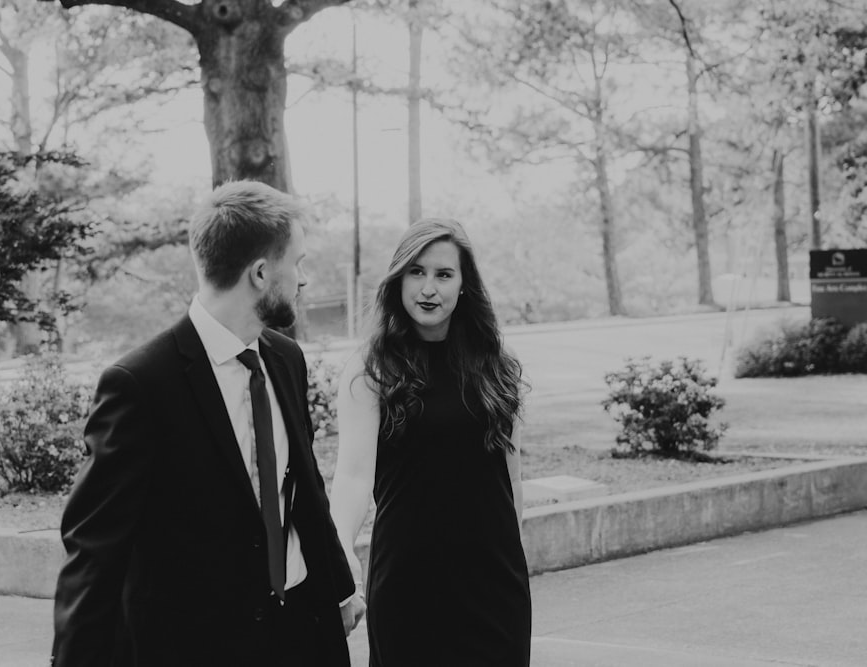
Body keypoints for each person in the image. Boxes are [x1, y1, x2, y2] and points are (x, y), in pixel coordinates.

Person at [52, 180, 366, 667]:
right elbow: (94, 551)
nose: (304, 280)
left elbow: (302, 487)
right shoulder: (140, 384)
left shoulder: (286, 359)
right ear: (261, 273)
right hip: (198, 645)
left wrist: (340, 589)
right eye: (298, 263)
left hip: (305, 632)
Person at [330, 218, 531, 666]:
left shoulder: (498, 365)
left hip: (494, 581)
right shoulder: (370, 370)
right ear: (397, 279)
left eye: (444, 274)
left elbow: (511, 478)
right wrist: (339, 551)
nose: (428, 288)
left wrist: (512, 557)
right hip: (408, 580)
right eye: (416, 272)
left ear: (464, 285)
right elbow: (352, 476)